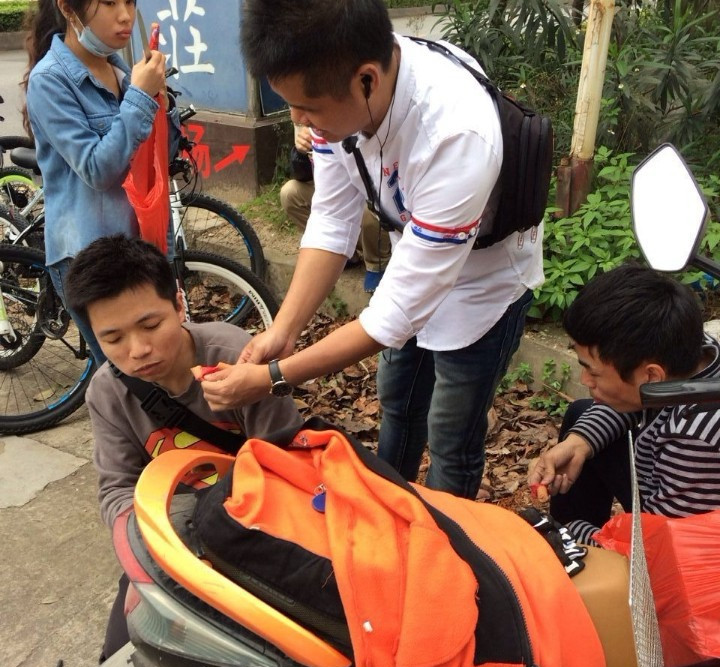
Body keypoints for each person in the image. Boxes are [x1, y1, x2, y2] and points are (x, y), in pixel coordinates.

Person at [199, 0, 544, 501]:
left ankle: (444, 532)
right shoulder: (344, 92)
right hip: (414, 253)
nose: (299, 120)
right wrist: (282, 331)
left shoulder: (456, 133)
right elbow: (332, 220)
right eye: (290, 104)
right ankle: (389, 506)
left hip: (483, 285)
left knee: (451, 434)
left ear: (366, 79)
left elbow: (392, 317)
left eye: (308, 107)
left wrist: (271, 378)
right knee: (398, 400)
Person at [64, 234, 303, 660]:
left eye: (150, 326)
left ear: (178, 304)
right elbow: (118, 489)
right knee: (126, 656)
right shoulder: (107, 393)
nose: (138, 350)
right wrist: (145, 559)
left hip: (261, 529)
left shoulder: (238, 359)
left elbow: (288, 464)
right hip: (174, 539)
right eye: (113, 338)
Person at [23, 0, 180, 363]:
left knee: (159, 369)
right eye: (109, 3)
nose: (125, 15)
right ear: (68, 8)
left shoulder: (122, 70)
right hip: (92, 257)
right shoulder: (50, 80)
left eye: (130, 2)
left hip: (143, 245)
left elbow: (160, 157)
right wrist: (141, 97)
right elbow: (97, 169)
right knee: (131, 376)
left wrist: (162, 100)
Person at [528, 263, 720, 544]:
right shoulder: (690, 348)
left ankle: (572, 550)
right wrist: (579, 444)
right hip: (666, 489)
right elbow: (632, 398)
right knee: (582, 415)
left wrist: (569, 532)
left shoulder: (694, 438)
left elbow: (658, 548)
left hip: (688, 542)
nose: (584, 379)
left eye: (593, 371)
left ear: (651, 376)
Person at [280, 124, 392, 293]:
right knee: (290, 193)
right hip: (340, 204)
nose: (300, 118)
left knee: (371, 208)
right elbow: (303, 176)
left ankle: (377, 264)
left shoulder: (372, 124)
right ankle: (344, 254)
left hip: (377, 212)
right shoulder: (319, 128)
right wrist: (300, 152)